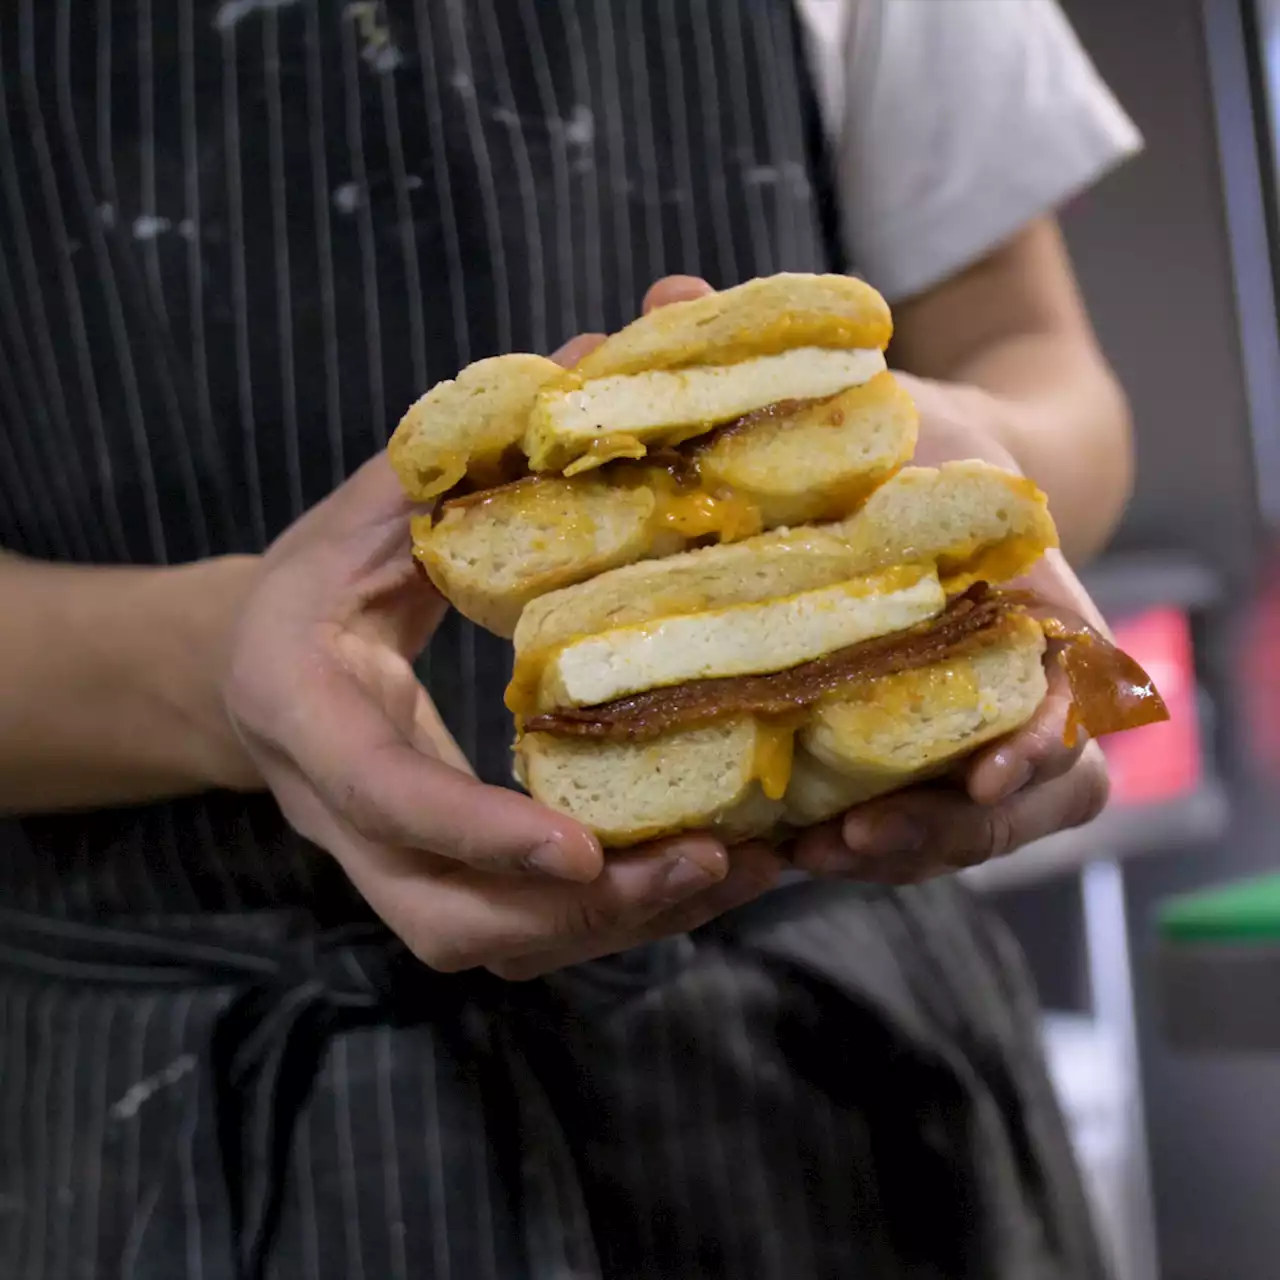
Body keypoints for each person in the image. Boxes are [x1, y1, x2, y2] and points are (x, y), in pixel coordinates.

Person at [0, 1, 1139, 1276]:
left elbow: (1044, 369)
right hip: (177, 1108)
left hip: (828, 1057)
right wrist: (210, 674)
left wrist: (938, 453)